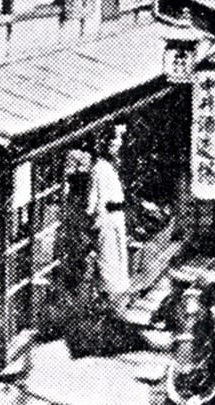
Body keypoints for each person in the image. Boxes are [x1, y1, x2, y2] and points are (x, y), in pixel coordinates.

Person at [88, 125, 131, 310]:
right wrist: (92, 219)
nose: (117, 145)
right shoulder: (98, 168)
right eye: (113, 142)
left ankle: (117, 297)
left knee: (118, 257)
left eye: (118, 141)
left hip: (116, 217)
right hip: (105, 217)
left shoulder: (110, 167)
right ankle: (108, 299)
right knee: (108, 259)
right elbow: (92, 201)